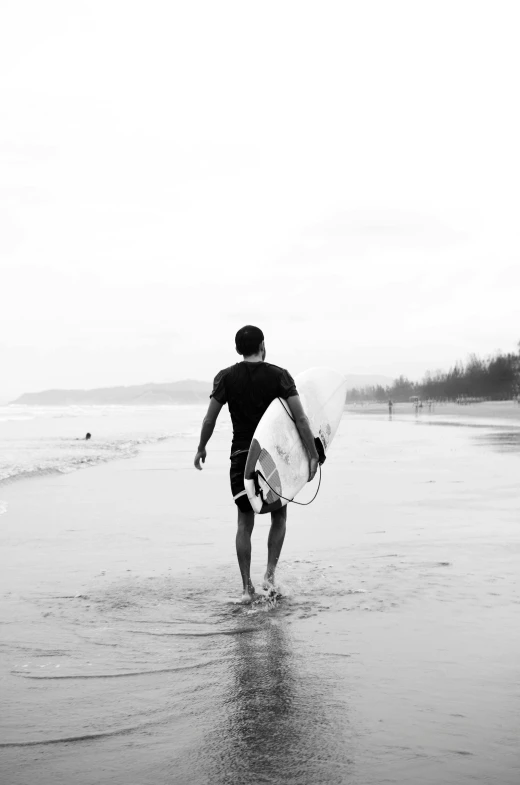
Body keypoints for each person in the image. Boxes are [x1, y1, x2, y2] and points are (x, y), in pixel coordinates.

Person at [194, 325, 319, 603]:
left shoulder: (226, 377)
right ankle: (270, 577)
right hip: (274, 458)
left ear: (238, 349)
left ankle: (246, 588)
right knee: (279, 516)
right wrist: (312, 455)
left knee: (244, 523)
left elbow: (209, 419)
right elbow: (300, 419)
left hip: (242, 457)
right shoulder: (280, 376)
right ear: (262, 345)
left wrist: (201, 447)